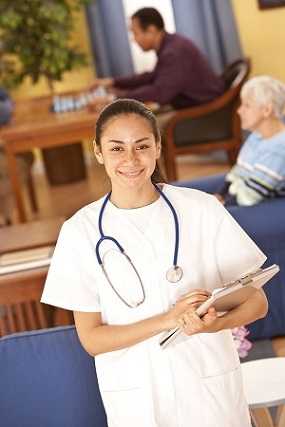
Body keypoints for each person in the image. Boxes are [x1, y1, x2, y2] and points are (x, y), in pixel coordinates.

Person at [41, 99, 268, 427]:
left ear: (158, 148)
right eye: (117, 148)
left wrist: (215, 323)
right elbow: (92, 339)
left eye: (142, 146)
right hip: (137, 396)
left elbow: (257, 301)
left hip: (209, 387)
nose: (131, 159)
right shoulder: (80, 231)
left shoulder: (201, 209)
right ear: (98, 152)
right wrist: (167, 320)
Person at [90, 7, 225, 110]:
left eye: (135, 33)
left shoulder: (174, 52)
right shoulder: (171, 44)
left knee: (137, 129)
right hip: (194, 107)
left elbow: (159, 92)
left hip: (203, 112)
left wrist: (113, 98)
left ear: (151, 30)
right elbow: (151, 77)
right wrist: (112, 82)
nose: (133, 39)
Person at [216, 75, 285, 206]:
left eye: (247, 105)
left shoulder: (280, 148)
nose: (239, 111)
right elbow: (238, 172)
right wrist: (220, 195)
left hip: (264, 207)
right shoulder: (257, 135)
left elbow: (249, 197)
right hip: (242, 196)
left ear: (267, 110)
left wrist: (220, 205)